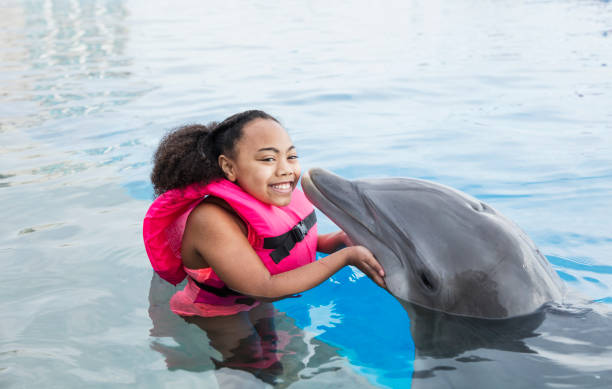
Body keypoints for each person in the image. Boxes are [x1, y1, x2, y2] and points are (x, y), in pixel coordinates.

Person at [143, 110, 385, 379]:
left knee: (276, 359)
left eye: (291, 156)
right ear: (229, 168)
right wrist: (345, 257)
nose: (285, 169)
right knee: (249, 368)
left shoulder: (263, 198)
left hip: (249, 301)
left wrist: (336, 241)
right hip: (217, 311)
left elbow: (287, 245)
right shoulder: (211, 221)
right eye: (268, 159)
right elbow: (265, 288)